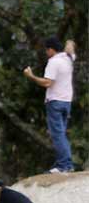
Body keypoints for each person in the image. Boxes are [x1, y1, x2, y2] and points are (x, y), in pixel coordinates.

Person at [24, 37, 75, 173]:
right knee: (61, 134)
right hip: (67, 102)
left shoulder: (54, 62)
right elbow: (71, 48)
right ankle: (64, 163)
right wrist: (69, 43)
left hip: (55, 102)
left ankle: (64, 165)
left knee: (57, 134)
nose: (46, 53)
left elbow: (47, 83)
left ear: (51, 50)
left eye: (47, 50)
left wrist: (31, 76)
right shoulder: (68, 59)